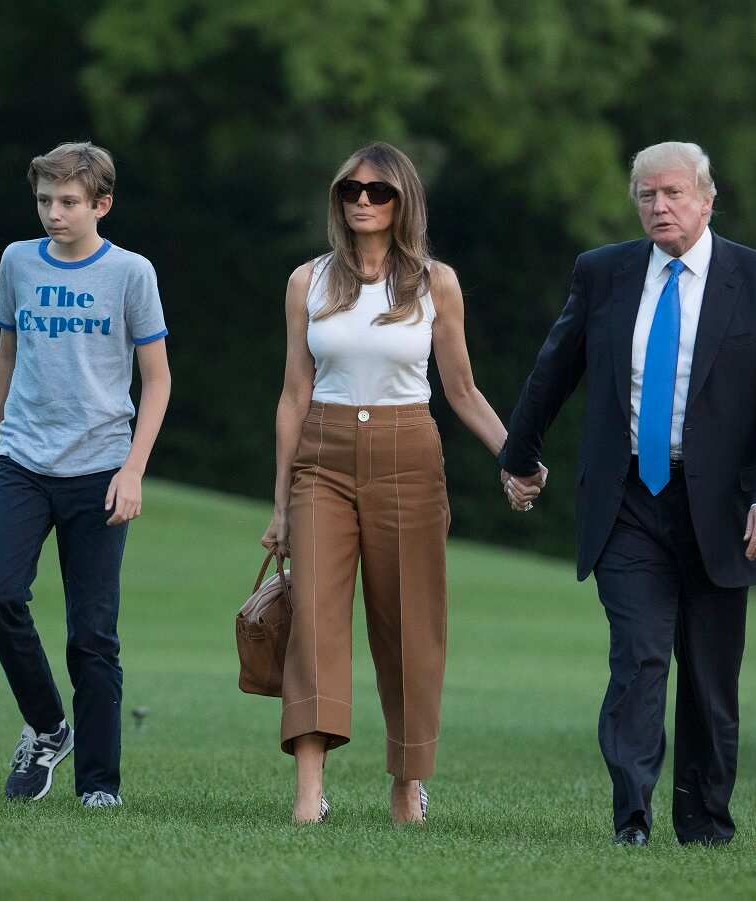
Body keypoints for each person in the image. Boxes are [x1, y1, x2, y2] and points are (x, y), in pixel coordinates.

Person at [500, 142, 756, 846]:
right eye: (646, 194)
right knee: (637, 656)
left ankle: (703, 819)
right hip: (629, 501)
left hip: (723, 509)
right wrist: (520, 456)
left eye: (672, 193)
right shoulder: (604, 273)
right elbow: (554, 370)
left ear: (706, 199)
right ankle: (632, 815)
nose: (658, 206)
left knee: (707, 675)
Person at [262, 141, 539, 825]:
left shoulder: (435, 283)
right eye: (350, 190)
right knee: (315, 620)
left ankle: (407, 782)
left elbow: (463, 389)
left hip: (408, 450)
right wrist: (278, 502)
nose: (361, 200)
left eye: (377, 191)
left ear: (402, 200)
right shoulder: (308, 281)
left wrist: (517, 455)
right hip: (322, 455)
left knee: (411, 622)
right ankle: (307, 791)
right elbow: (294, 394)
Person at [0, 141, 172, 808]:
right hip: (25, 461)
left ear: (101, 204)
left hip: (100, 470)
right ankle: (48, 727)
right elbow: (7, 351)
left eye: (66, 202)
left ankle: (99, 782)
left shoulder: (131, 274)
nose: (52, 213)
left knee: (92, 634)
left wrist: (134, 470)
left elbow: (158, 379)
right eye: (43, 201)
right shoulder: (16, 262)